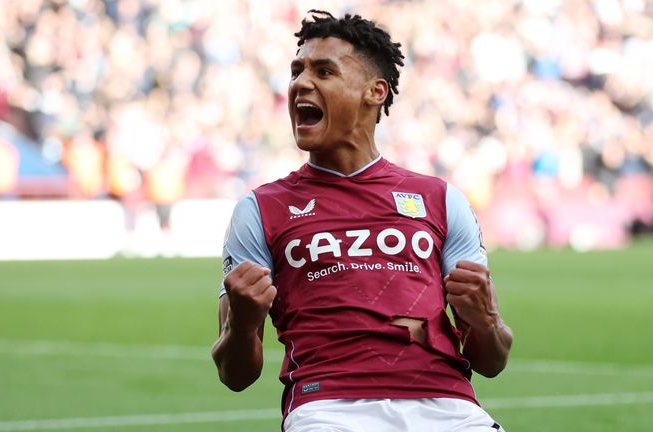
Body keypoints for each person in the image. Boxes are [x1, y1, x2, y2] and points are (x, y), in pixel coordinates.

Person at [211, 10, 513, 432]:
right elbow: (234, 375)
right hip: (329, 408)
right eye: (296, 70)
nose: (300, 83)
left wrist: (487, 322)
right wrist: (243, 325)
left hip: (449, 405)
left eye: (324, 71)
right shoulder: (259, 209)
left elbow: (493, 360)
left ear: (375, 91)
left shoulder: (442, 199)